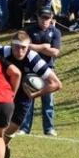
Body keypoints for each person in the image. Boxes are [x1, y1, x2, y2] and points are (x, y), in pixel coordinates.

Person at [0, 31, 62, 158]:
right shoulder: (3, 52)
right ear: (11, 45)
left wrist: (35, 95)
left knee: (12, 128)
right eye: (17, 47)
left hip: (24, 95)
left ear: (28, 47)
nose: (20, 51)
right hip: (4, 92)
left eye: (24, 47)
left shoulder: (33, 59)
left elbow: (56, 84)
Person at [20, 8, 61, 136]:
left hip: (48, 70)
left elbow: (55, 52)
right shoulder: (29, 30)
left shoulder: (55, 32)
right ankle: (24, 128)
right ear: (37, 17)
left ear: (51, 18)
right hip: (31, 70)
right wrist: (44, 47)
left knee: (48, 101)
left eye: (47, 18)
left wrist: (34, 48)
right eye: (42, 17)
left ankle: (49, 128)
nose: (45, 21)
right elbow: (24, 47)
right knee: (28, 101)